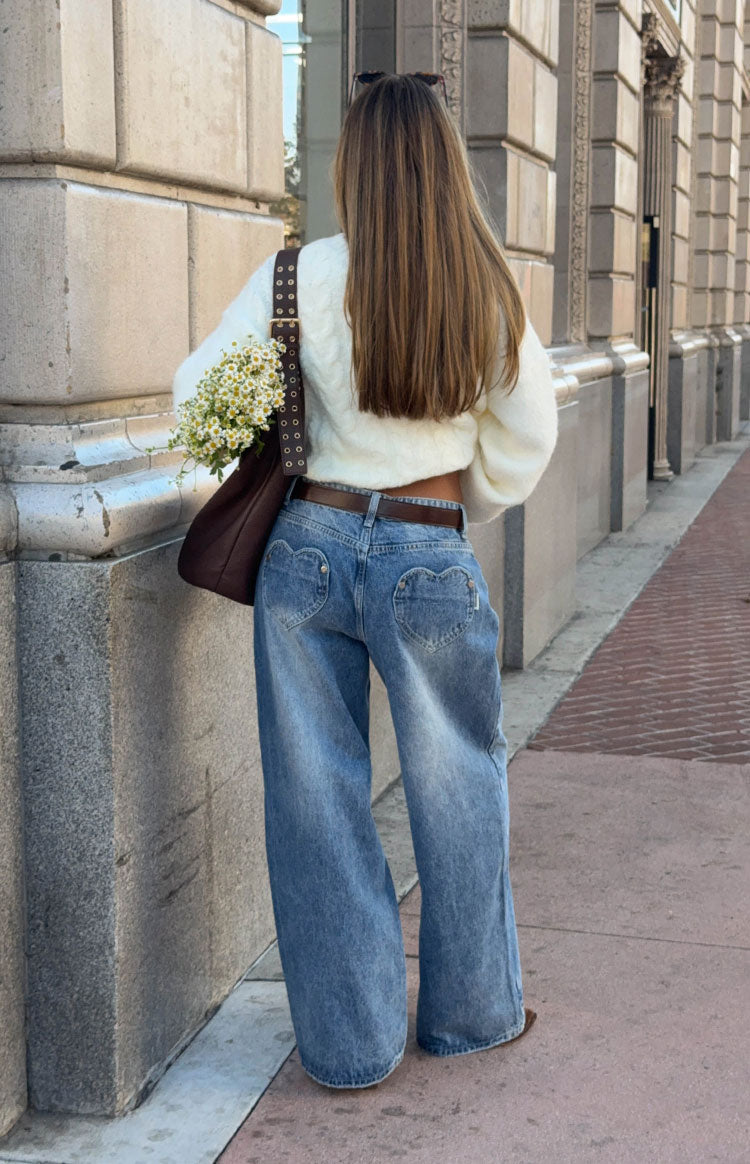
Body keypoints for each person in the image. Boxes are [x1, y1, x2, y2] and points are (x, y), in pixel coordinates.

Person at [172, 72, 558, 1091]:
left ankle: (350, 1047)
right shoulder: (484, 285)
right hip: (428, 551)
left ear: (352, 167)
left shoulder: (296, 279)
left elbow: (193, 388)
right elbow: (529, 437)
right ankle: (473, 1016)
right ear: (445, 165)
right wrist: (458, 501)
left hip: (308, 549)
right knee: (460, 784)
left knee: (315, 796)